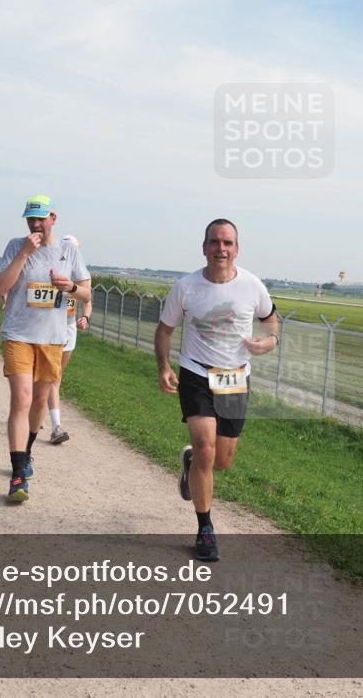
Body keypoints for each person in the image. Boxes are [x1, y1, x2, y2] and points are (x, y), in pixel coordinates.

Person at [154, 219, 278, 561]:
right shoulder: (186, 287)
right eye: (214, 242)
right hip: (196, 373)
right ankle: (205, 528)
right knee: (206, 449)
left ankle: (190, 464)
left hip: (235, 377)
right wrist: (164, 366)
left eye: (227, 243)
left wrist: (269, 341)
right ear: (204, 247)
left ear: (237, 249)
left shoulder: (252, 286)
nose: (220, 248)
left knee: (222, 460)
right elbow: (164, 330)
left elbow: (271, 321)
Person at [0, 195, 91, 502]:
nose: (35, 224)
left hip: (52, 337)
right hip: (18, 334)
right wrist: (24, 253)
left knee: (38, 401)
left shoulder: (68, 251)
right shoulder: (15, 246)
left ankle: (26, 451)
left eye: (40, 219)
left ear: (53, 218)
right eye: (30, 219)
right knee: (21, 399)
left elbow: (87, 294)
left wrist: (71, 288)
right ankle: (18, 475)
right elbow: (0, 287)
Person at [45, 235, 93, 444]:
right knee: (49, 376)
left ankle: (44, 413)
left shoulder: (82, 275)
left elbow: (88, 300)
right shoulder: (50, 269)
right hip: (47, 326)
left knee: (56, 376)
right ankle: (55, 426)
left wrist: (86, 317)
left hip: (69, 327)